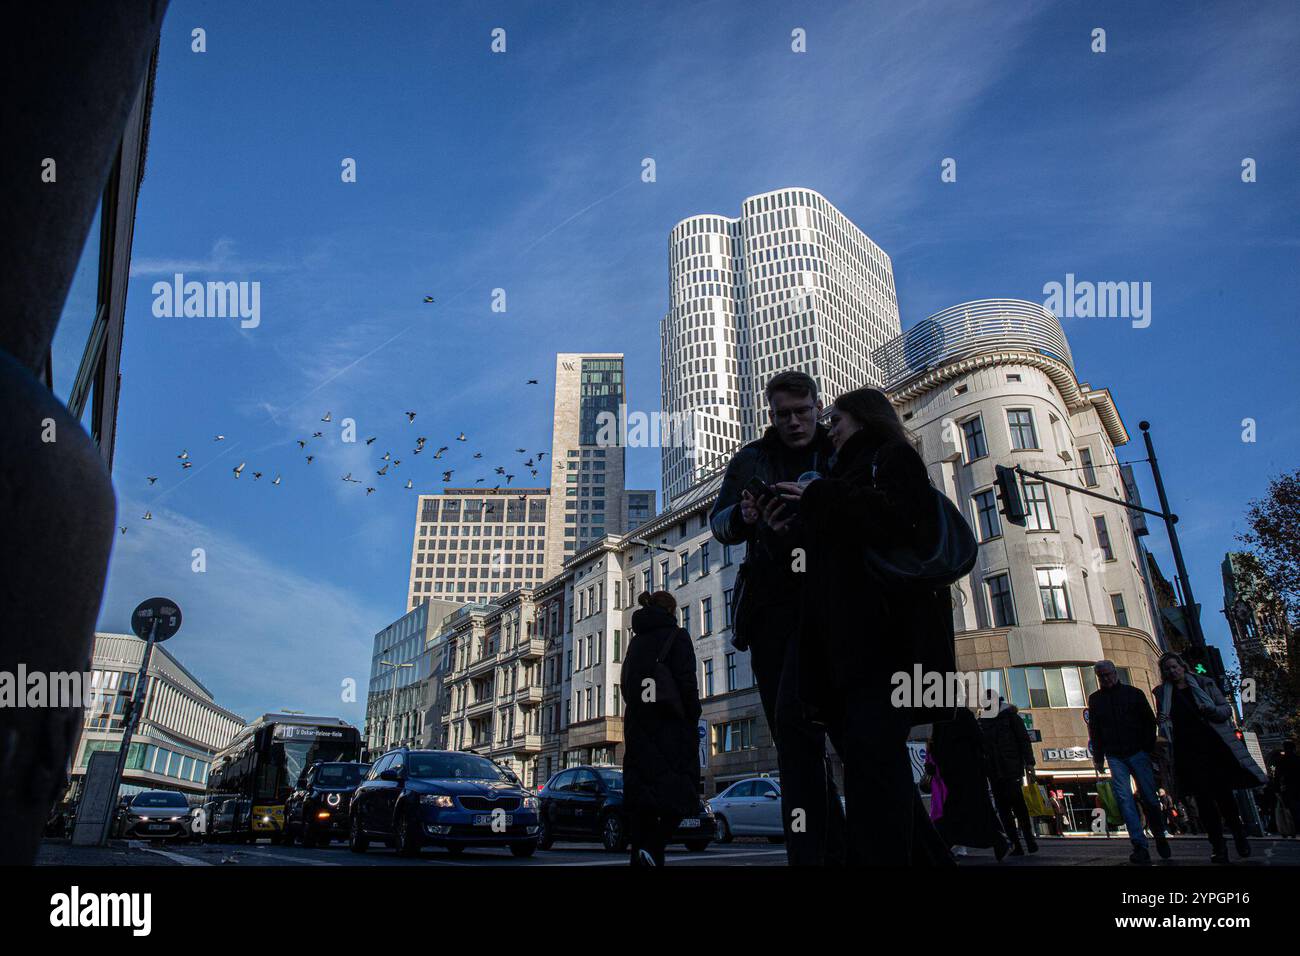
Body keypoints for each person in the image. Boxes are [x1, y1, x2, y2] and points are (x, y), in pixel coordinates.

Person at [776, 386, 953, 865]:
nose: (829, 428)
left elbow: (900, 522)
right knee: (868, 762)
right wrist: (790, 522)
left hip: (883, 640)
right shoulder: (839, 473)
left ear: (865, 418)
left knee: (877, 761)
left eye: (837, 419)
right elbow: (829, 554)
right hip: (842, 645)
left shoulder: (892, 456)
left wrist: (821, 495)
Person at [708, 370, 845, 864]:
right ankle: (813, 853)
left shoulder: (839, 447)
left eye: (802, 411)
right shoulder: (749, 459)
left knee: (853, 732)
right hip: (773, 608)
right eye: (782, 414)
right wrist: (744, 517)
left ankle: (862, 846)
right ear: (771, 414)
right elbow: (719, 523)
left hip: (837, 603)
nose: (793, 422)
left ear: (817, 406)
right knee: (793, 740)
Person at [1152, 652, 1268, 864]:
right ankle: (1218, 847)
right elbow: (1164, 722)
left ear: (1182, 666)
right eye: (1167, 669)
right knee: (1204, 802)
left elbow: (1225, 710)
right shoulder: (1162, 693)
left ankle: (1239, 836)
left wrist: (1211, 710)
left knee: (1225, 798)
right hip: (1187, 751)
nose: (1172, 671)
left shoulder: (1203, 683)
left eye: (1174, 667)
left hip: (1214, 745)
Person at [619, 590, 702, 867]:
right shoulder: (677, 637)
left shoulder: (635, 642)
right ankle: (653, 849)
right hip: (670, 725)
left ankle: (643, 854)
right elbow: (687, 681)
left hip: (638, 725)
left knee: (643, 800)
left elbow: (626, 685)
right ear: (671, 611)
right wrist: (692, 716)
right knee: (678, 796)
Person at [1086, 659, 1170, 864]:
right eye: (1101, 676)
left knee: (1149, 797)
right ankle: (1139, 844)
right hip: (1115, 755)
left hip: (1137, 752)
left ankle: (1159, 834)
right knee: (1124, 799)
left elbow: (1149, 722)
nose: (1106, 679)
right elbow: (1095, 729)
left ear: (1115, 673)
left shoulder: (1133, 694)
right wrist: (1098, 757)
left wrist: (1147, 747)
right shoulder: (1096, 700)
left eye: (1108, 674)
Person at [928, 707, 1011, 860]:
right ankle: (997, 840)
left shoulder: (942, 716)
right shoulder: (960, 714)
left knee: (956, 809)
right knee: (974, 808)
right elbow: (979, 740)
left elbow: (935, 743)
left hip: (957, 771)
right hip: (967, 771)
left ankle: (944, 846)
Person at [981, 698, 1039, 855]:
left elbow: (1023, 740)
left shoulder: (1011, 717)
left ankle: (1028, 839)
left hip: (1011, 768)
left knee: (1016, 804)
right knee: (1004, 808)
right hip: (995, 770)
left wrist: (1029, 763)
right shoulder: (983, 722)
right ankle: (1016, 843)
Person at [1274, 740, 1300, 838]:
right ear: (1294, 748)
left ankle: (1293, 829)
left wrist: (1277, 790)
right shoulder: (1298, 759)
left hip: (1287, 789)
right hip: (1297, 788)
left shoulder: (1281, 761)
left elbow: (1277, 777)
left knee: (1290, 810)